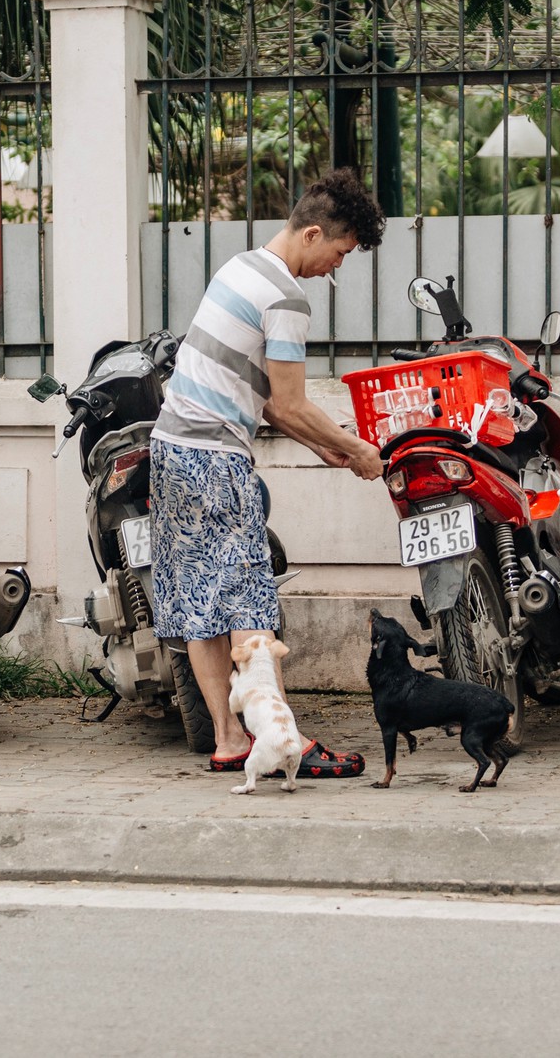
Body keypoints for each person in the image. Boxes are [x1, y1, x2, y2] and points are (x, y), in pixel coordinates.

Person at [150, 170, 388, 777]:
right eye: (338, 254)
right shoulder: (286, 297)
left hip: (171, 447)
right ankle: (286, 742)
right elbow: (287, 404)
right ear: (312, 234)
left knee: (200, 599)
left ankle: (230, 741)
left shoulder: (240, 266)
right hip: (215, 461)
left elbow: (261, 396)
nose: (335, 269)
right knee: (249, 600)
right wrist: (358, 450)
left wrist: (324, 447)